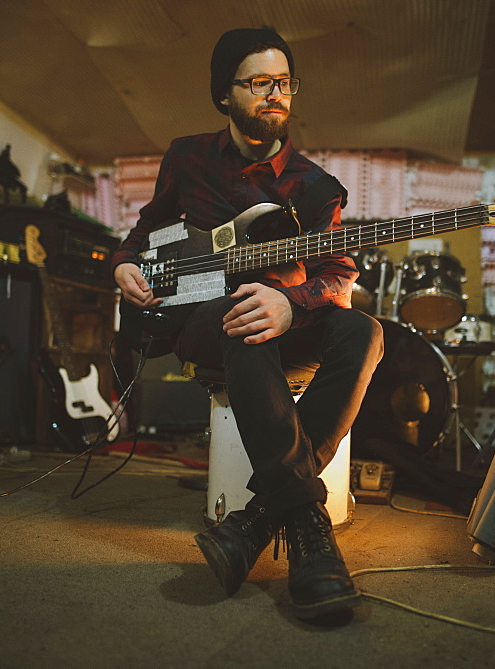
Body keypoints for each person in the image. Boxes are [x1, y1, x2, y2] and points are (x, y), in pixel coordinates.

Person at [112, 27, 384, 619]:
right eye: (259, 83)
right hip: (198, 316)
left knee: (366, 331)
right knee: (243, 315)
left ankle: (258, 521)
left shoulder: (315, 186)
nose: (275, 95)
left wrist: (293, 304)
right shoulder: (187, 155)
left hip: (281, 318)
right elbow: (145, 228)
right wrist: (126, 263)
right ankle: (311, 536)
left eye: (284, 83)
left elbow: (338, 273)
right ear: (224, 95)